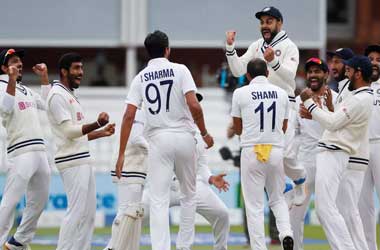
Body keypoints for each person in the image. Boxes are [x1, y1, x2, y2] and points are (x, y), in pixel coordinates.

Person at [115, 30, 214, 250]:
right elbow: (194, 105)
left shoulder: (140, 77)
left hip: (158, 140)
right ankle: (184, 246)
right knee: (189, 196)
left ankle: (161, 248)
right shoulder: (180, 70)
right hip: (184, 137)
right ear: (167, 49)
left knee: (158, 200)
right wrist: (205, 133)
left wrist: (121, 154)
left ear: (147, 52)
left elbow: (128, 115)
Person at [225, 6, 306, 207]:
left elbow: (290, 76)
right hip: (260, 104)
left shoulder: (289, 46)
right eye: (262, 22)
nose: (264, 26)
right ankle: (284, 185)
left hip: (285, 102)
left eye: (269, 21)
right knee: (268, 155)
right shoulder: (256, 46)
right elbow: (237, 71)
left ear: (280, 23)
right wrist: (230, 48)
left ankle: (299, 179)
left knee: (285, 153)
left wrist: (274, 61)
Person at [299, 55, 373, 250]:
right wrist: (323, 110)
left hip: (334, 152)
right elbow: (335, 120)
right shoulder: (358, 97)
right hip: (334, 151)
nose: (345, 74)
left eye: (348, 71)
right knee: (332, 210)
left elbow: (332, 123)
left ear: (358, 73)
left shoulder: (360, 99)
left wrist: (309, 103)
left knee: (327, 209)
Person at [46, 53, 115, 250]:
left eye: (81, 68)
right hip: (71, 161)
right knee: (76, 212)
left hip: (81, 158)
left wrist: (101, 132)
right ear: (64, 71)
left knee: (89, 214)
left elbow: (76, 135)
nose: (81, 73)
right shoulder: (57, 95)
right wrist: (97, 124)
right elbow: (69, 132)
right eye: (76, 68)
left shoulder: (69, 95)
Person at [231, 58, 294, 250]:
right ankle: (286, 234)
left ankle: (259, 247)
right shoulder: (281, 93)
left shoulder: (240, 93)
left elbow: (237, 127)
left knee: (254, 206)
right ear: (267, 73)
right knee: (277, 199)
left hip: (251, 150)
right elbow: (283, 126)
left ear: (247, 75)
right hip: (275, 150)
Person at [143, 131, 230, 250]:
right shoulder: (161, 130)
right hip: (162, 186)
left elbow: (202, 165)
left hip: (192, 184)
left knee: (222, 214)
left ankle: (220, 248)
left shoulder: (199, 135)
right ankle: (116, 245)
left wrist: (210, 177)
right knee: (134, 217)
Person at [0, 48, 51, 249]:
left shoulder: (26, 90)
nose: (19, 64)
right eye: (13, 61)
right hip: (20, 151)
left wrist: (45, 78)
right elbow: (5, 108)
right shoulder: (2, 85)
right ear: (4, 68)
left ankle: (19, 241)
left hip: (39, 150)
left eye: (20, 61)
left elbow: (47, 104)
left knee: (39, 200)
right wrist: (11, 80)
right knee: (10, 201)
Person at [289, 58, 336, 250]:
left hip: (330, 160)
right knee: (293, 215)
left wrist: (318, 111)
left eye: (317, 71)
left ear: (326, 74)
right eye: (310, 72)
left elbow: (340, 127)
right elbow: (292, 133)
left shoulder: (336, 96)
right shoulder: (298, 100)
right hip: (305, 163)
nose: (313, 75)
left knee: (330, 214)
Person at [104, 108, 148, 250]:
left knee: (131, 212)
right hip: (130, 166)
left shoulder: (146, 110)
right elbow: (136, 138)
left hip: (135, 167)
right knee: (127, 212)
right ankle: (112, 247)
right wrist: (155, 151)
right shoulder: (141, 110)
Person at [359, 44, 380, 250]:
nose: (374, 62)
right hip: (360, 148)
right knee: (364, 205)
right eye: (370, 58)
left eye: (378, 59)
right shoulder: (356, 85)